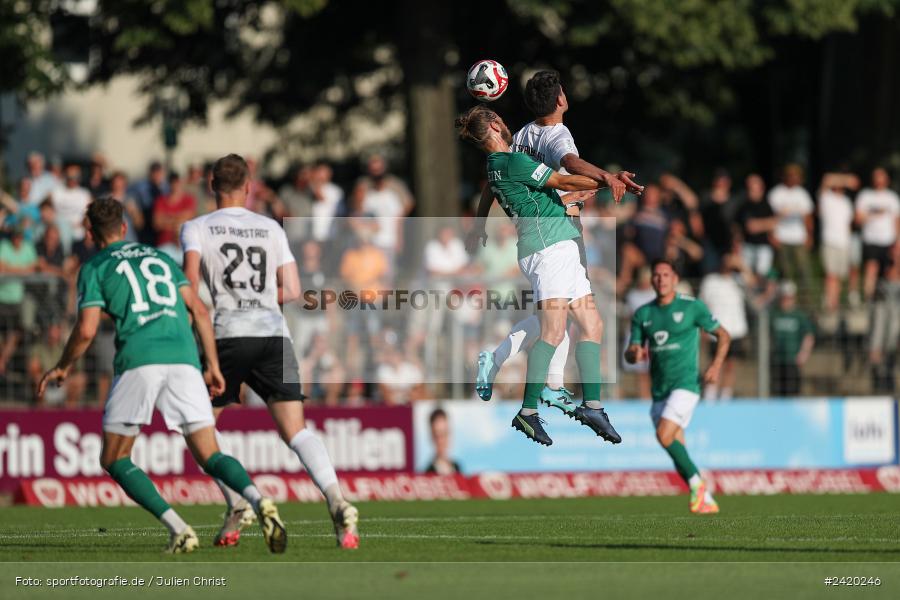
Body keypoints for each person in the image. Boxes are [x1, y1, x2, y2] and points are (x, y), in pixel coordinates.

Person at [37, 197, 286, 554]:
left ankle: (179, 529)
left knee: (114, 458)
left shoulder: (94, 267)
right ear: (124, 227)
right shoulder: (161, 258)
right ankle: (259, 500)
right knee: (209, 453)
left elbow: (88, 329)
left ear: (90, 234)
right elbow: (199, 310)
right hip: (185, 357)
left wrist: (63, 365)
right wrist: (213, 365)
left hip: (140, 359)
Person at [181, 153, 359, 550]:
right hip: (275, 336)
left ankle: (238, 502)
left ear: (212, 186)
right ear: (249, 188)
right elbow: (292, 290)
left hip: (226, 336)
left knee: (200, 428)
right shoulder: (270, 227)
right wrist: (258, 298)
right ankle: (336, 498)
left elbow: (189, 285)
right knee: (296, 430)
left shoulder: (196, 227)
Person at [467, 70, 642, 418]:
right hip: (559, 229)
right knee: (564, 319)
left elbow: (494, 182)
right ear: (561, 98)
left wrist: (479, 221)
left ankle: (509, 364)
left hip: (537, 232)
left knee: (556, 316)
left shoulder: (521, 136)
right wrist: (607, 178)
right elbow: (568, 166)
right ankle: (548, 388)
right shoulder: (556, 134)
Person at [625, 259, 729, 514]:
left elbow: (723, 335)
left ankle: (698, 486)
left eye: (666, 275)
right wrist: (634, 353)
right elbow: (631, 351)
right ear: (651, 280)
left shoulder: (692, 307)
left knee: (663, 435)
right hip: (660, 389)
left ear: (675, 279)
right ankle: (705, 499)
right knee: (674, 446)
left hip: (686, 385)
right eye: (656, 275)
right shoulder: (643, 314)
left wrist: (716, 366)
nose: (661, 279)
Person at [698, 253, 749, 400]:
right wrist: (703, 328)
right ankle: (710, 396)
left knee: (731, 366)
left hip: (736, 330)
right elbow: (702, 305)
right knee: (714, 364)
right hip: (716, 331)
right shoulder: (710, 281)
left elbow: (754, 285)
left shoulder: (739, 280)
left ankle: (725, 398)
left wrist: (742, 267)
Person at [768, 164, 814, 299]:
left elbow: (808, 217)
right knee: (785, 271)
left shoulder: (802, 194)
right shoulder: (776, 193)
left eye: (797, 176)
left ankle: (806, 299)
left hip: (799, 238)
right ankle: (785, 300)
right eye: (791, 175)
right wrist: (772, 234)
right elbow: (770, 216)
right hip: (781, 237)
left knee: (803, 269)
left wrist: (809, 235)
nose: (794, 178)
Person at [856, 167, 900, 300]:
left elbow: (897, 221)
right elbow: (858, 219)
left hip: (888, 240)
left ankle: (890, 299)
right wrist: (873, 214)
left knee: (891, 270)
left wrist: (898, 241)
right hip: (871, 239)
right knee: (871, 269)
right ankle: (869, 299)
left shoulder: (892, 197)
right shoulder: (865, 196)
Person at [818, 172, 860, 313]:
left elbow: (848, 224)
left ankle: (835, 303)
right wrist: (847, 180)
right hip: (830, 241)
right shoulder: (826, 198)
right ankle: (830, 303)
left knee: (840, 276)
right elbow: (826, 179)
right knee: (831, 274)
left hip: (844, 243)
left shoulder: (846, 202)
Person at [769, 281, 815, 396]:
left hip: (792, 361)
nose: (786, 301)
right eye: (784, 297)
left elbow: (808, 336)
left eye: (789, 298)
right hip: (776, 360)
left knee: (793, 392)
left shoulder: (799, 316)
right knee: (776, 393)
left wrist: (804, 354)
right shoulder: (773, 313)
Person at [736, 174, 776, 279]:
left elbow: (774, 224)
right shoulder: (743, 206)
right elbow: (749, 227)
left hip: (764, 246)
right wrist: (766, 224)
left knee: (762, 274)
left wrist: (760, 224)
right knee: (746, 275)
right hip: (747, 245)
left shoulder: (767, 205)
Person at [52, 164, 91, 244]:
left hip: (79, 235)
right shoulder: (56, 192)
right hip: (58, 236)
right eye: (69, 177)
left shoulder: (85, 194)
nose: (72, 180)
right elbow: (47, 210)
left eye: (75, 177)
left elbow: (90, 214)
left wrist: (82, 224)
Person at [424, 408, 462, 475]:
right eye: (438, 435)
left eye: (445, 433)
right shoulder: (428, 473)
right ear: (432, 436)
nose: (442, 440)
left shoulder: (457, 467)